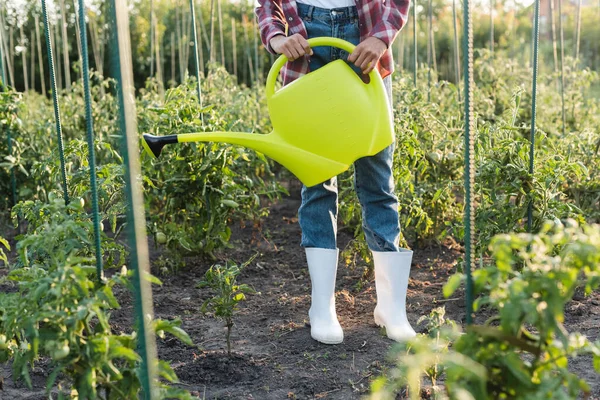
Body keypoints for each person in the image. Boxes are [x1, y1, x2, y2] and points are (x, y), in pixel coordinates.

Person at [255, 0, 414, 344]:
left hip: (364, 42)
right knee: (318, 181)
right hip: (304, 45)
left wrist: (381, 39)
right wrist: (277, 38)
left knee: (378, 180)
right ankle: (322, 307)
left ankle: (391, 308)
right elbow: (266, 4)